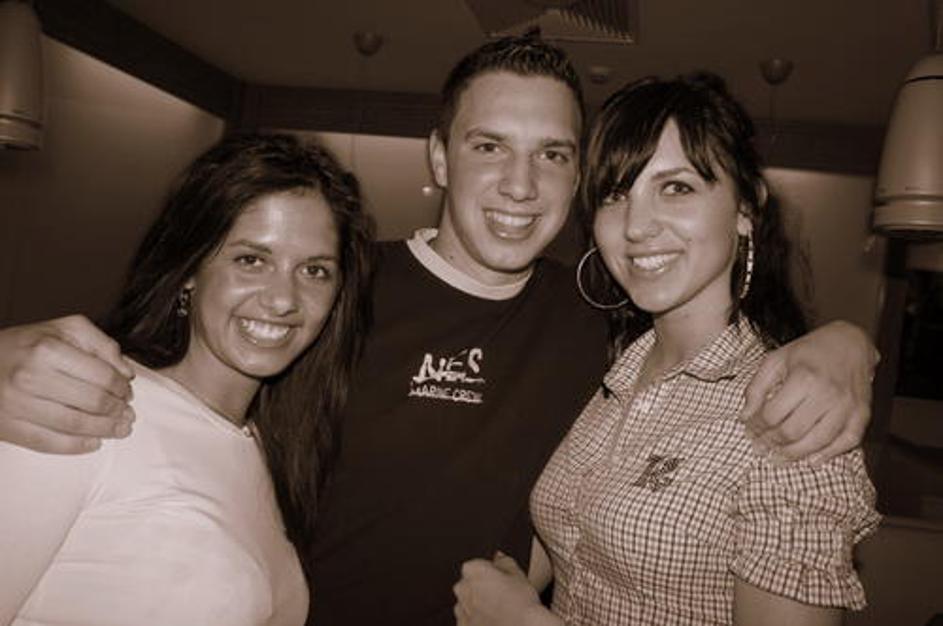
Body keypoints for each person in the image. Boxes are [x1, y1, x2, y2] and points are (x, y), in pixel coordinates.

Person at [0, 37, 877, 626]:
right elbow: (173, 367)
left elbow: (720, 344)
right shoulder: (330, 284)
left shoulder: (599, 325)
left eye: (553, 155)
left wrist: (846, 343)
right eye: (489, 146)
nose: (520, 186)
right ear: (438, 158)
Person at [452, 73, 880, 626]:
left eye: (676, 187)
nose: (637, 226)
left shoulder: (794, 411)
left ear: (746, 207)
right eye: (616, 194)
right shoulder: (608, 371)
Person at [0, 132, 373, 625]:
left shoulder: (269, 448)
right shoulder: (85, 404)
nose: (283, 298)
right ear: (190, 269)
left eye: (314, 271)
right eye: (251, 260)